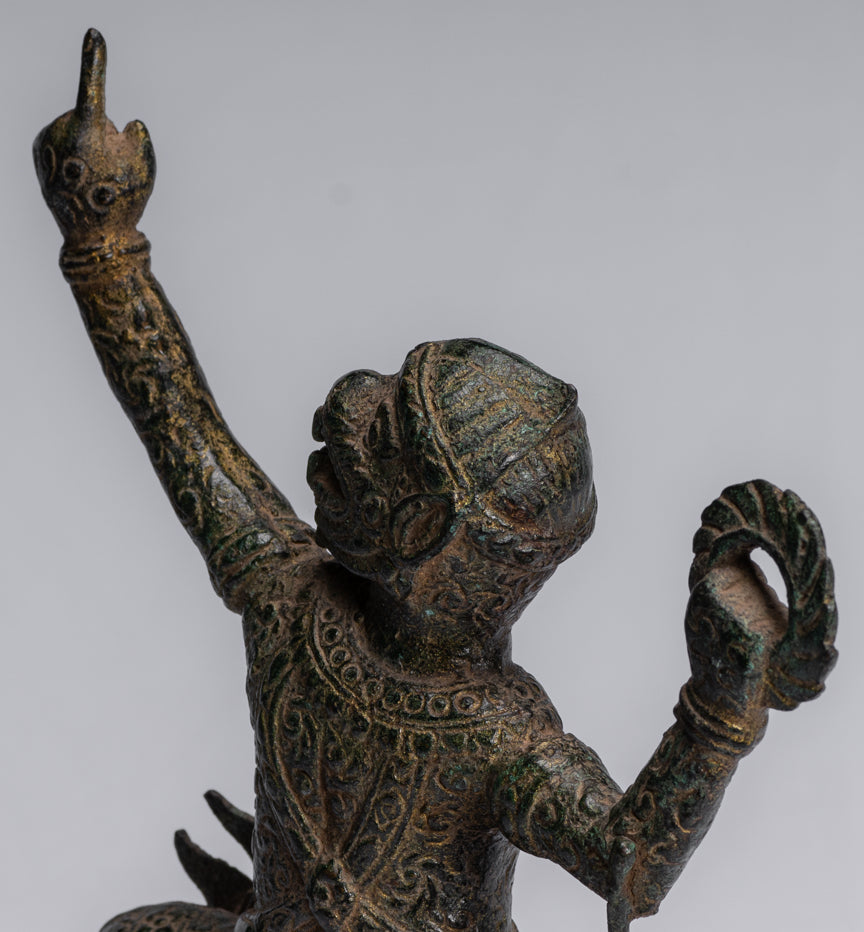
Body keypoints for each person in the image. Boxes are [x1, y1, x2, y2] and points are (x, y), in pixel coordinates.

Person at [34, 30, 837, 932]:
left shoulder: (498, 737)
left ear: (423, 533)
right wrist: (104, 240)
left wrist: (721, 706)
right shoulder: (293, 603)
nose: (346, 408)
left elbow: (629, 863)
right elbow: (180, 425)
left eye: (384, 433)